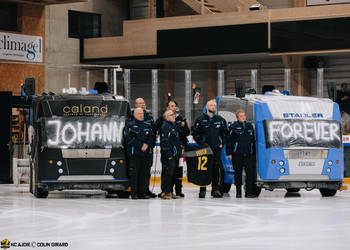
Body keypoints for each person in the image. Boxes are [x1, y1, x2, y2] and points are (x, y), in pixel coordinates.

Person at [191, 100, 228, 198]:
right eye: (212, 105)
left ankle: (215, 190)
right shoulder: (200, 119)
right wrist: (202, 144)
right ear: (207, 107)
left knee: (216, 169)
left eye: (215, 105)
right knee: (204, 169)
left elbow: (225, 133)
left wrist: (222, 143)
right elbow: (195, 134)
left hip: (216, 148)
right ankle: (202, 190)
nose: (214, 106)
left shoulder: (220, 119)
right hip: (204, 149)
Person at [156, 100, 190, 197]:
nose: (173, 108)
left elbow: (186, 133)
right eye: (171, 106)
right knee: (167, 172)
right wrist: (169, 154)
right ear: (167, 108)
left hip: (177, 152)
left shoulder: (177, 121)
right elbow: (164, 140)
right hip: (169, 152)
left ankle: (173, 191)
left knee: (175, 172)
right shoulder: (164, 123)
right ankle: (166, 191)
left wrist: (182, 126)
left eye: (174, 106)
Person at [123, 108, 155, 199]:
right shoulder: (129, 125)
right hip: (135, 154)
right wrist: (141, 145)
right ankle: (134, 193)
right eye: (139, 113)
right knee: (134, 174)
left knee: (144, 174)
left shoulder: (147, 125)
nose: (141, 115)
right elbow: (128, 139)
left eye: (142, 113)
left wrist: (147, 144)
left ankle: (142, 193)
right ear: (135, 114)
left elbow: (152, 137)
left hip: (146, 154)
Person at [226, 109, 256, 198]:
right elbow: (229, 141)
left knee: (249, 173)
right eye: (241, 116)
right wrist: (229, 153)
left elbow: (253, 140)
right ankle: (238, 193)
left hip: (248, 154)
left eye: (244, 115)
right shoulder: (233, 127)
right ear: (237, 117)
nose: (243, 117)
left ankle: (248, 193)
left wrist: (253, 152)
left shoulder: (249, 126)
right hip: (237, 154)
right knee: (238, 173)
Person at [134, 98, 157, 198]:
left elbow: (153, 132)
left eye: (143, 103)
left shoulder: (149, 116)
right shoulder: (132, 117)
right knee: (137, 172)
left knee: (147, 171)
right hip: (136, 149)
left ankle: (145, 190)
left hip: (148, 148)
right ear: (135, 105)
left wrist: (149, 144)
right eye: (139, 103)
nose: (142, 105)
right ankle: (137, 192)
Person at [159, 110, 182, 200]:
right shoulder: (165, 126)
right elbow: (164, 142)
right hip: (168, 155)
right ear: (166, 117)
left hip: (175, 154)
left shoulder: (173, 125)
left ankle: (170, 192)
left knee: (173, 174)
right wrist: (169, 154)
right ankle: (165, 192)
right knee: (168, 174)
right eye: (171, 115)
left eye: (173, 114)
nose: (174, 116)